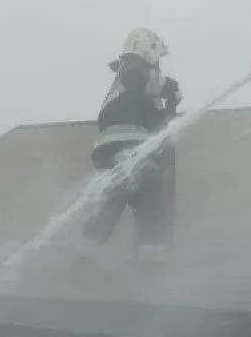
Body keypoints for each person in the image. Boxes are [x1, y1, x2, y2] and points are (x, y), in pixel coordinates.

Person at [72, 28, 183, 277]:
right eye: (157, 56)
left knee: (118, 212)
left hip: (127, 159)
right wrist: (171, 87)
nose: (158, 62)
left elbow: (158, 128)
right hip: (129, 154)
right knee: (149, 215)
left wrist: (170, 111)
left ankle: (82, 263)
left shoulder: (142, 93)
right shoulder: (132, 68)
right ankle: (150, 272)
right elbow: (139, 78)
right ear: (147, 49)